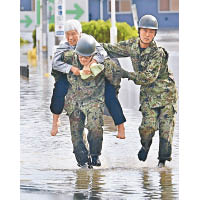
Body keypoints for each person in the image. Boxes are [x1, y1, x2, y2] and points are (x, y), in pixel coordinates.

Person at [102, 15, 178, 167]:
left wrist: (126, 74)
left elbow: (148, 77)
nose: (147, 34)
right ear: (139, 31)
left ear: (155, 34)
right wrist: (90, 45)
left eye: (151, 32)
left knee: (165, 132)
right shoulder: (132, 46)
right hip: (149, 97)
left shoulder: (158, 53)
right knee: (147, 127)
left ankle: (162, 164)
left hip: (166, 95)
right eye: (145, 31)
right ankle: (145, 145)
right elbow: (111, 48)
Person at [50, 19, 126, 139]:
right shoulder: (64, 47)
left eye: (73, 34)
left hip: (94, 73)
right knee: (59, 88)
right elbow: (55, 63)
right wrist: (71, 68)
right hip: (74, 74)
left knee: (109, 94)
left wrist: (92, 63)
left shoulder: (88, 40)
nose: (70, 38)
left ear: (79, 33)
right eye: (67, 34)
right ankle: (55, 121)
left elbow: (103, 53)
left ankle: (120, 126)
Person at [62, 35, 122, 168]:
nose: (83, 59)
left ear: (93, 55)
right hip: (74, 102)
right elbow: (57, 60)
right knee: (76, 135)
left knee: (95, 127)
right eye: (81, 56)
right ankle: (82, 162)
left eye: (86, 57)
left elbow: (115, 78)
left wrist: (113, 94)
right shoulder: (69, 58)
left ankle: (95, 156)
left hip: (94, 100)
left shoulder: (102, 64)